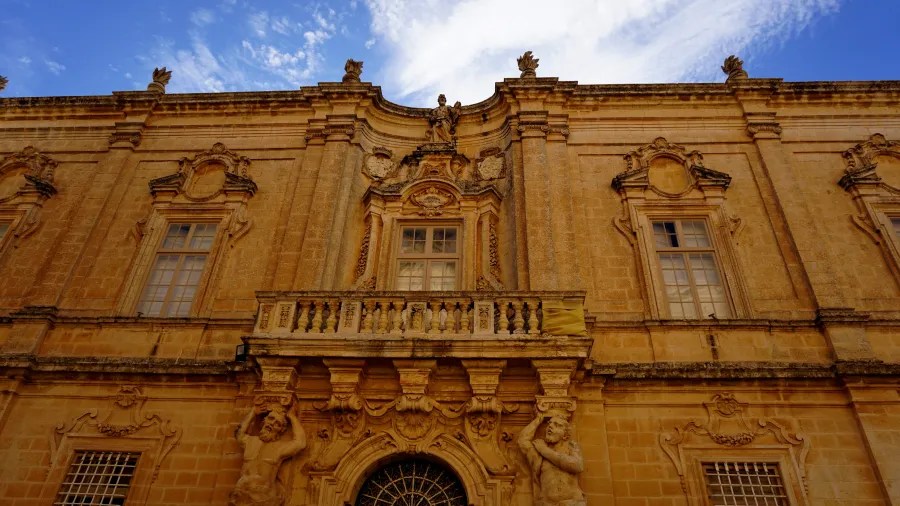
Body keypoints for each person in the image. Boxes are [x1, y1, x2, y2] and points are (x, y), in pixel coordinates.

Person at [230, 404, 307, 506]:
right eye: (271, 419)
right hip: (241, 494)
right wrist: (253, 413)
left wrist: (292, 418)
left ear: (281, 430)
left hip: (264, 497)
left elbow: (300, 443)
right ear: (264, 420)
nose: (271, 424)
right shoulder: (250, 441)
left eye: (277, 424)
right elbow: (239, 433)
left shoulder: (279, 448)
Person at [518, 413, 586, 506]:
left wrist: (544, 450)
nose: (550, 426)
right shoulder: (538, 456)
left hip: (572, 502)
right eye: (549, 424)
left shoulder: (571, 447)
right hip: (547, 503)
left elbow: (577, 465)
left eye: (557, 425)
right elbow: (522, 441)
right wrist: (538, 419)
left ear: (565, 435)